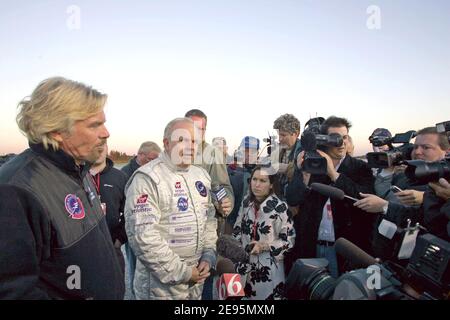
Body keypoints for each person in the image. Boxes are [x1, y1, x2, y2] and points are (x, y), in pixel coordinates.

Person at [0, 77, 124, 299]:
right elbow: (12, 290)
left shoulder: (78, 169)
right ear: (57, 130)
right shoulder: (15, 189)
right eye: (94, 124)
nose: (106, 133)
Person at [124, 117, 218, 300]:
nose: (190, 146)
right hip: (160, 288)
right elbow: (144, 237)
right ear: (166, 144)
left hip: (196, 280)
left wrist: (208, 254)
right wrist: (182, 272)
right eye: (182, 140)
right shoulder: (147, 178)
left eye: (194, 141)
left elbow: (209, 220)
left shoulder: (201, 176)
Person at [285, 116, 375, 277]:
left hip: (344, 249)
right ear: (323, 140)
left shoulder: (361, 168)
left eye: (345, 137)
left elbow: (363, 200)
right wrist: (303, 173)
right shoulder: (312, 165)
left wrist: (334, 175)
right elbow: (292, 199)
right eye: (335, 138)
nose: (341, 143)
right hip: (312, 246)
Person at [232, 166, 295, 300]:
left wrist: (264, 246)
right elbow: (237, 230)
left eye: (262, 181)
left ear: (271, 184)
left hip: (268, 272)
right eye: (254, 179)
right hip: (243, 269)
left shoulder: (280, 208)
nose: (257, 184)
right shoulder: (246, 202)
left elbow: (288, 242)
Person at [120, 140, 161, 297]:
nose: (153, 163)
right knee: (135, 268)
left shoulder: (156, 173)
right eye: (151, 159)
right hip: (134, 232)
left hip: (153, 230)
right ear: (140, 155)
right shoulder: (124, 174)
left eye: (156, 159)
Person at [89, 144, 128, 275]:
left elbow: (130, 213)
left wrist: (119, 239)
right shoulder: (74, 176)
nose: (99, 149)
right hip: (83, 251)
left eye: (102, 146)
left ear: (107, 148)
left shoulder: (120, 177)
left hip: (112, 248)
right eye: (94, 145)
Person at [227, 136, 260, 231]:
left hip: (254, 226)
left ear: (257, 153)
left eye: (253, 151)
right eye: (246, 151)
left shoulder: (263, 173)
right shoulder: (229, 170)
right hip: (232, 222)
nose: (249, 154)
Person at [273, 114, 302, 200]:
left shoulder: (304, 151)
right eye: (279, 135)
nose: (280, 139)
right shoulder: (277, 150)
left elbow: (306, 176)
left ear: (296, 134)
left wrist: (287, 168)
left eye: (283, 135)